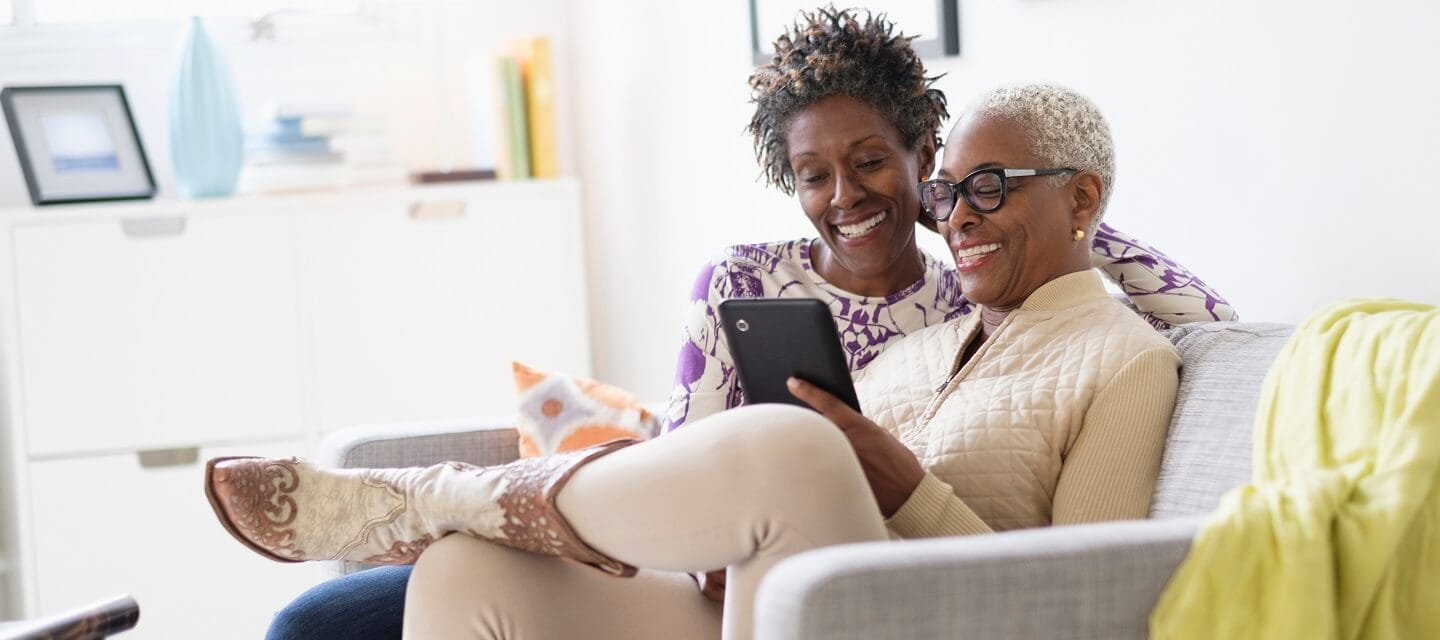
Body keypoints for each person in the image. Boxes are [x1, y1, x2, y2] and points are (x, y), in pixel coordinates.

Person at [255, 7, 1227, 639]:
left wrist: (1027, 223)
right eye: (955, 192)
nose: (959, 211)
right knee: (463, 578)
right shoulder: (927, 336)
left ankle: (454, 494)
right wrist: (1001, 211)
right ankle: (464, 514)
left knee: (802, 441)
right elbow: (698, 465)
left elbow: (1092, 587)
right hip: (738, 570)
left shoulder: (1109, 350)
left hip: (903, 597)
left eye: (984, 189)